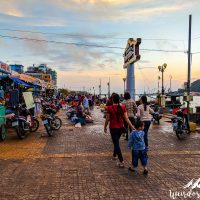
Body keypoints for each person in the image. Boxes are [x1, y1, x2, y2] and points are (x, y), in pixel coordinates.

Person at [104, 93, 134, 168]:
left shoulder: (109, 108)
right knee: (116, 141)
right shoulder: (122, 107)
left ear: (112, 100)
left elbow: (107, 119)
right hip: (121, 128)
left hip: (113, 128)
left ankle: (121, 161)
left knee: (116, 143)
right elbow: (126, 119)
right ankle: (114, 155)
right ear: (119, 99)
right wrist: (132, 126)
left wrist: (105, 127)